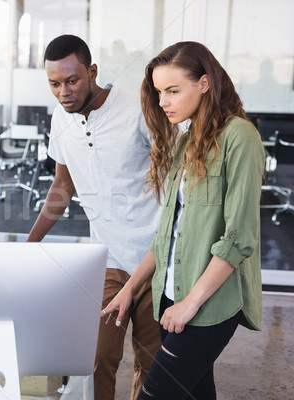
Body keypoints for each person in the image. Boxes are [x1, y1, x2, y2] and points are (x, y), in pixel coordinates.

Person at [103, 41, 264, 399]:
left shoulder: (240, 137)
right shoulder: (186, 140)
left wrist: (190, 303)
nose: (163, 101)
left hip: (206, 306)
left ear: (204, 83)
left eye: (173, 91)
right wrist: (129, 291)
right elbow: (165, 238)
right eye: (160, 92)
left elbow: (239, 237)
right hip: (170, 299)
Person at [26, 34, 162, 400]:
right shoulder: (61, 118)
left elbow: (171, 177)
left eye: (72, 81)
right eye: (54, 84)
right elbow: (62, 186)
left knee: (151, 367)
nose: (64, 92)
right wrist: (29, 243)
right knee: (98, 358)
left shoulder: (138, 110)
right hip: (109, 259)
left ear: (92, 71)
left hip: (157, 259)